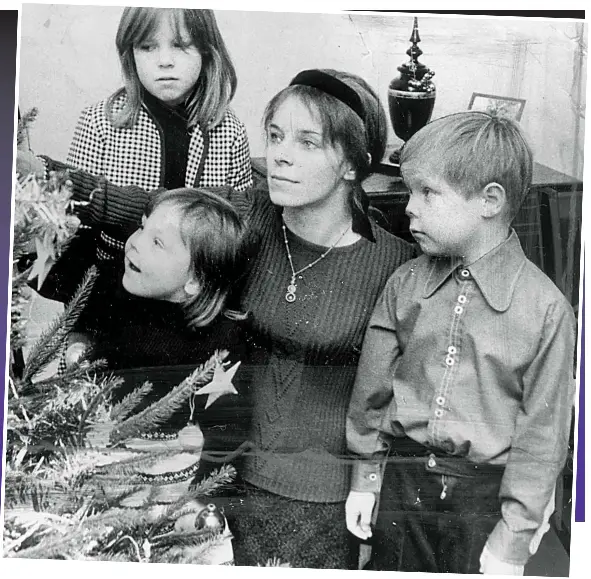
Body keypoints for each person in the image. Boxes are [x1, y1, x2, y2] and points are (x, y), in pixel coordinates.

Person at [24, 68, 417, 568]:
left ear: (352, 165)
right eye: (274, 135)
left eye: (307, 142)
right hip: (213, 476)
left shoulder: (394, 264)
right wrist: (44, 171)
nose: (279, 154)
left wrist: (369, 480)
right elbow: (150, 209)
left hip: (319, 496)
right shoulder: (246, 218)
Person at [345, 112, 577, 575]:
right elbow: (371, 392)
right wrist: (366, 479)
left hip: (484, 503)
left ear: (490, 200)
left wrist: (513, 539)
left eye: (428, 192)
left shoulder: (546, 310)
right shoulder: (404, 284)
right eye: (411, 192)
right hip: (402, 488)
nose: (410, 207)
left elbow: (543, 440)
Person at [25, 7, 252, 263]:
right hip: (111, 277)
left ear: (206, 51)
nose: (164, 60)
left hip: (193, 287)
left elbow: (239, 230)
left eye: (180, 45)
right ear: (130, 54)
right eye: (147, 46)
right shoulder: (100, 122)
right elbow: (75, 219)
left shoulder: (230, 131)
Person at [65, 187, 253, 471]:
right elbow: (84, 322)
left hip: (163, 477)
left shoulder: (221, 340)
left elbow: (227, 433)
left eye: (157, 243)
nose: (136, 243)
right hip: (86, 457)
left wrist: (204, 504)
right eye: (142, 227)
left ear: (195, 281)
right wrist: (77, 346)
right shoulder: (112, 286)